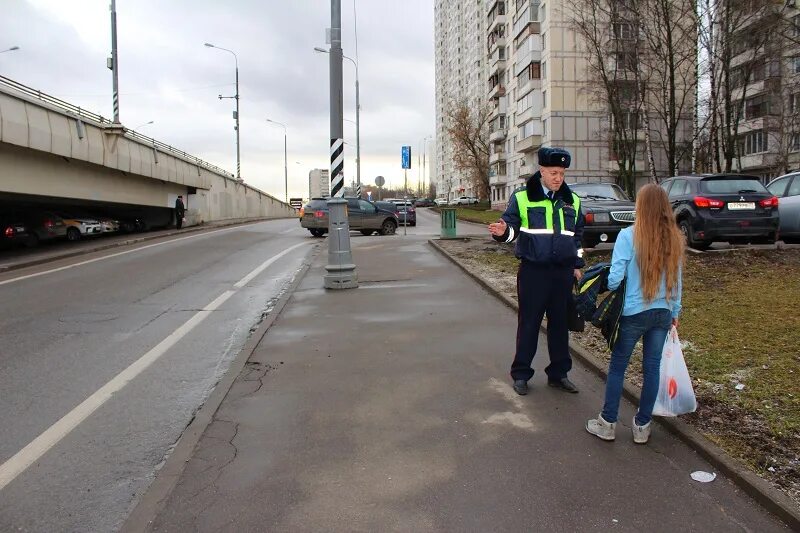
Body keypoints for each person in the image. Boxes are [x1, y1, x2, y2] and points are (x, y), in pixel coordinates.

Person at [586, 184, 684, 444]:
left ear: (640, 207)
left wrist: (601, 283)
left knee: (618, 366)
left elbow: (616, 277)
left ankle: (607, 423)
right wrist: (675, 310)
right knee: (651, 368)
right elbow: (678, 280)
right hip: (662, 312)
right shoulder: (675, 237)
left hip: (633, 312)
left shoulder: (628, 236)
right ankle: (642, 426)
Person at [488, 147, 586, 396]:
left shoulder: (572, 200)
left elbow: (577, 237)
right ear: (541, 171)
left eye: (562, 173)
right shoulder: (522, 197)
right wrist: (503, 233)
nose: (558, 178)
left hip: (562, 273)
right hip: (534, 272)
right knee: (529, 324)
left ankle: (558, 374)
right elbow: (511, 228)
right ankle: (521, 374)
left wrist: (576, 265)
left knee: (560, 325)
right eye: (553, 172)